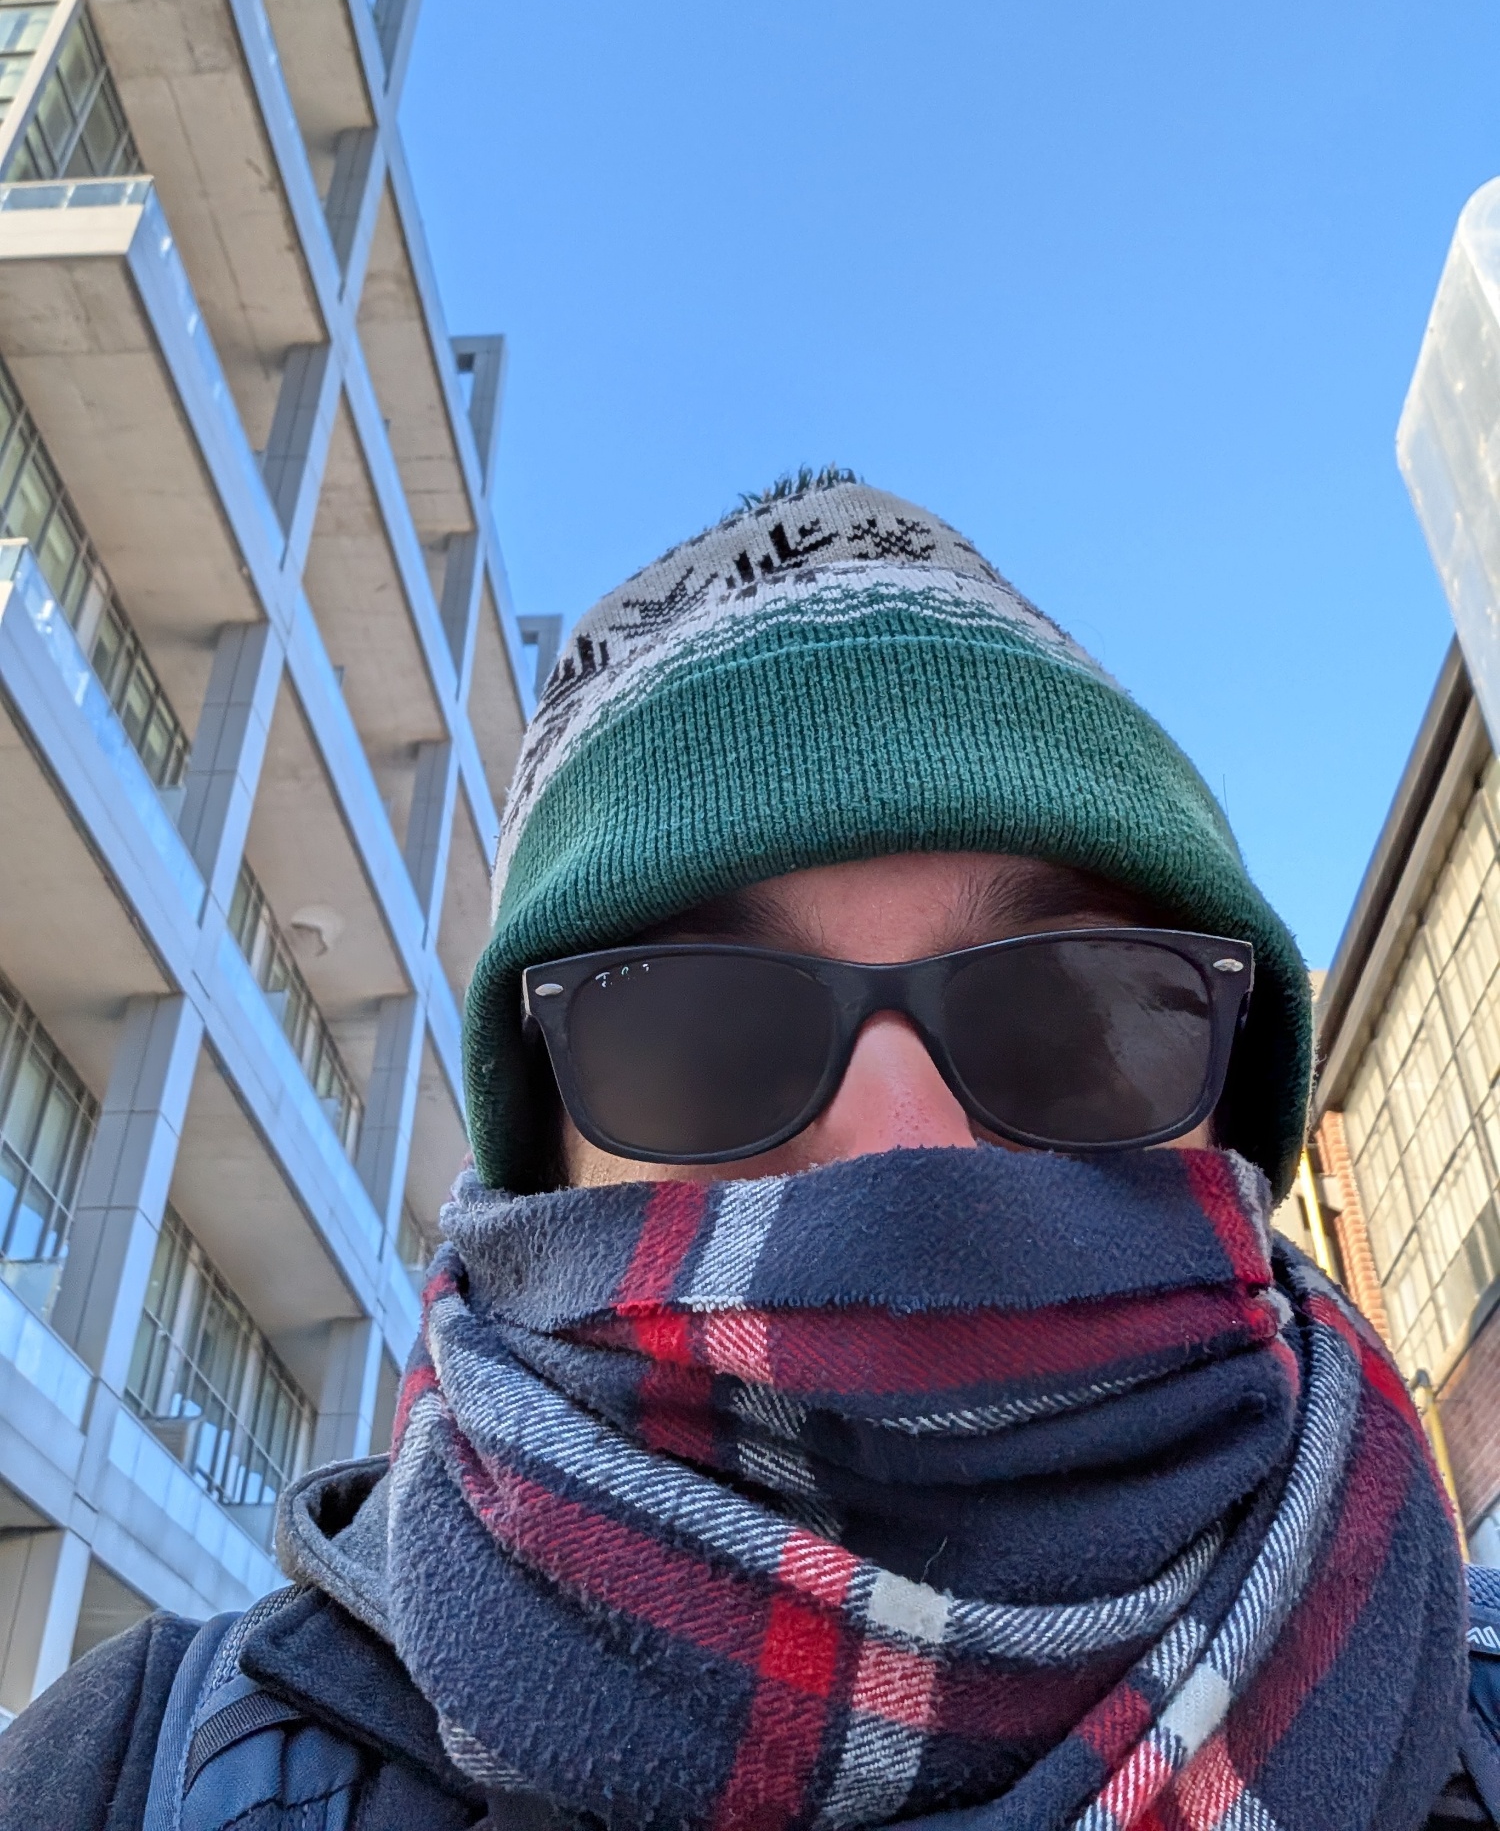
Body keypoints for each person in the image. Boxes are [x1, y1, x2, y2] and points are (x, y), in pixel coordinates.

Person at [2, 471, 1494, 1831]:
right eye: (700, 1041)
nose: (903, 1151)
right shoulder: (130, 1778)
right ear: (535, 1181)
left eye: (1073, 1018)